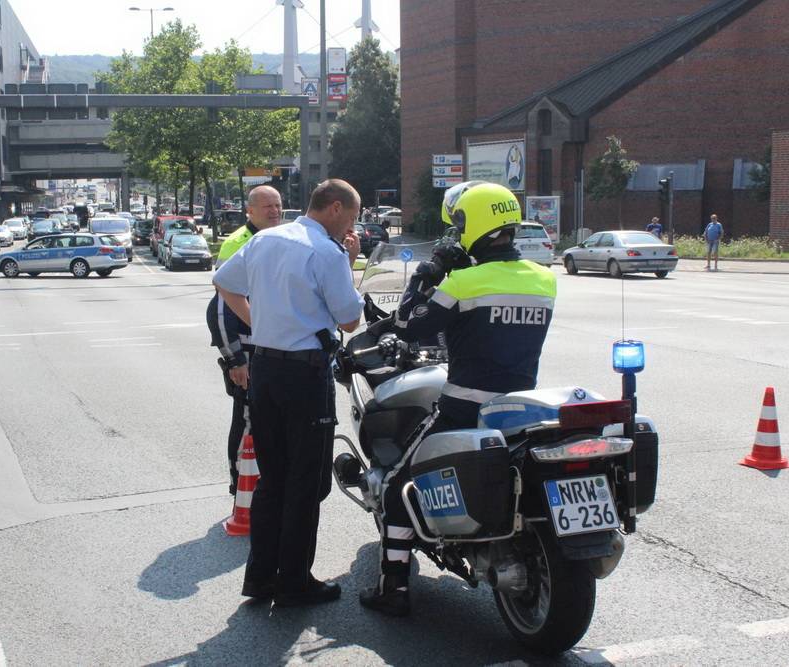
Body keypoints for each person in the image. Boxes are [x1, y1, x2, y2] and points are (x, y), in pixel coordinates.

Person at [359, 181, 556, 617]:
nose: (455, 233)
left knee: (395, 486)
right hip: (519, 408)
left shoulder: (466, 282)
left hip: (466, 406)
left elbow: (409, 324)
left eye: (459, 224)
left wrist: (429, 273)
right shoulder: (544, 280)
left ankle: (393, 589)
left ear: (475, 224)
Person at [214, 179, 363, 607]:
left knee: (271, 479)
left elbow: (224, 283)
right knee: (306, 482)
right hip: (304, 375)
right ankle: (295, 580)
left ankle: (260, 578)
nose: (350, 227)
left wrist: (257, 318)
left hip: (265, 370)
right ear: (334, 209)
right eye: (350, 218)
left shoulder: (268, 239)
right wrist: (349, 262)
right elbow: (350, 320)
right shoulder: (327, 251)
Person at [206, 185, 283, 495]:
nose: (275, 211)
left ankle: (266, 483)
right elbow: (220, 309)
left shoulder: (280, 238)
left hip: (273, 348)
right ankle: (239, 485)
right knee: (246, 420)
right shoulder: (237, 244)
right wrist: (234, 358)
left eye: (278, 205)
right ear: (250, 211)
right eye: (267, 206)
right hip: (248, 352)